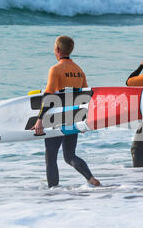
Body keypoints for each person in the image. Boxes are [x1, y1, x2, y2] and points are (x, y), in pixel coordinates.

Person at [32, 36, 100, 188]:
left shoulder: (55, 69)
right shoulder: (79, 71)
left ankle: (53, 191)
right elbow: (85, 97)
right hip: (74, 117)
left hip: (57, 118)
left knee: (51, 157)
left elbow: (49, 96)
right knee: (69, 156)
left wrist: (39, 119)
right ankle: (90, 178)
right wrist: (83, 120)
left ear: (57, 50)